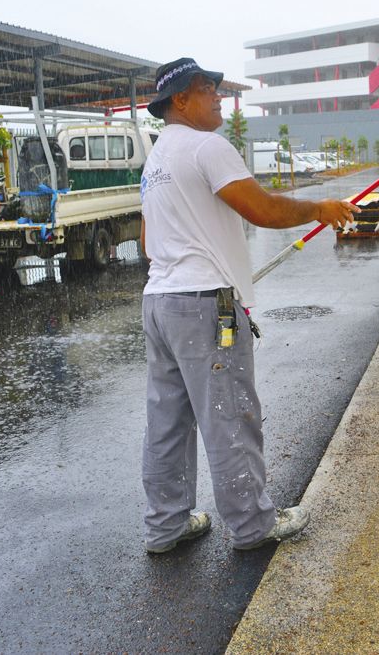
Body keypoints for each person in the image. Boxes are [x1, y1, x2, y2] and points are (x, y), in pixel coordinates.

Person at [138, 57, 358, 554]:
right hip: (204, 306)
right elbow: (261, 208)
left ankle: (165, 526)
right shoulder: (207, 147)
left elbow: (150, 239)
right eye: (207, 89)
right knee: (230, 415)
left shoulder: (155, 161)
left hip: (160, 303)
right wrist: (320, 209)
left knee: (167, 421)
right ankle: (253, 525)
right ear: (180, 100)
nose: (219, 97)